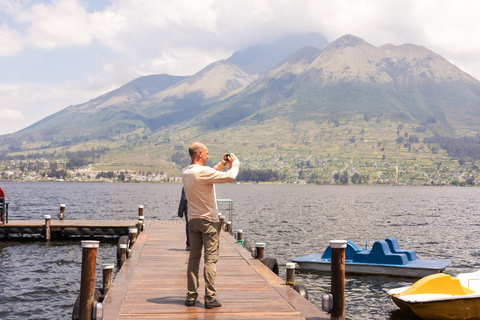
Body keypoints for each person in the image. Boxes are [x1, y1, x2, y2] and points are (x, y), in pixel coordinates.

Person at [182, 142, 239, 309]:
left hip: (193, 221)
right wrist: (234, 163)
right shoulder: (202, 172)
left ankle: (191, 296)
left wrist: (221, 164)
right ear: (199, 153)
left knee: (193, 258)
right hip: (209, 222)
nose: (207, 156)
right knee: (210, 260)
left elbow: (209, 174)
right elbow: (229, 177)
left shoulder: (186, 172)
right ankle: (210, 298)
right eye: (206, 154)